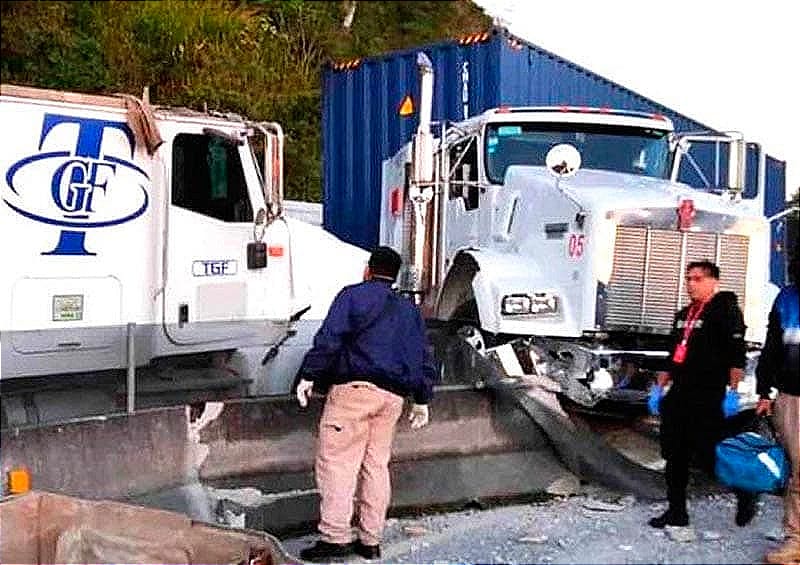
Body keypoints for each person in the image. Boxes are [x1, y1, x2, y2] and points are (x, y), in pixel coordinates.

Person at [295, 246, 437, 562]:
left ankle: (334, 538)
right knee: (375, 466)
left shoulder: (353, 296)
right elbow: (424, 356)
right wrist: (423, 399)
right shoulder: (409, 310)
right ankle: (370, 540)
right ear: (396, 275)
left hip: (354, 393)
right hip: (393, 399)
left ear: (367, 270)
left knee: (338, 464)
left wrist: (308, 374)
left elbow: (330, 338)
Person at [648, 260, 757, 529]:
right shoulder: (684, 314)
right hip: (680, 393)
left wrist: (733, 393)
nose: (690, 284)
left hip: (708, 394)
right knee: (674, 453)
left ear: (713, 281)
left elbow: (736, 356)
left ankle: (745, 493)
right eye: (688, 279)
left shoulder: (725, 311)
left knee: (709, 455)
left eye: (697, 279)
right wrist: (659, 388)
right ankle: (676, 511)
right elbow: (671, 354)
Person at [755, 253, 799, 564]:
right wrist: (763, 391)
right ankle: (796, 538)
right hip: (793, 397)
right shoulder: (787, 299)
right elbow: (772, 348)